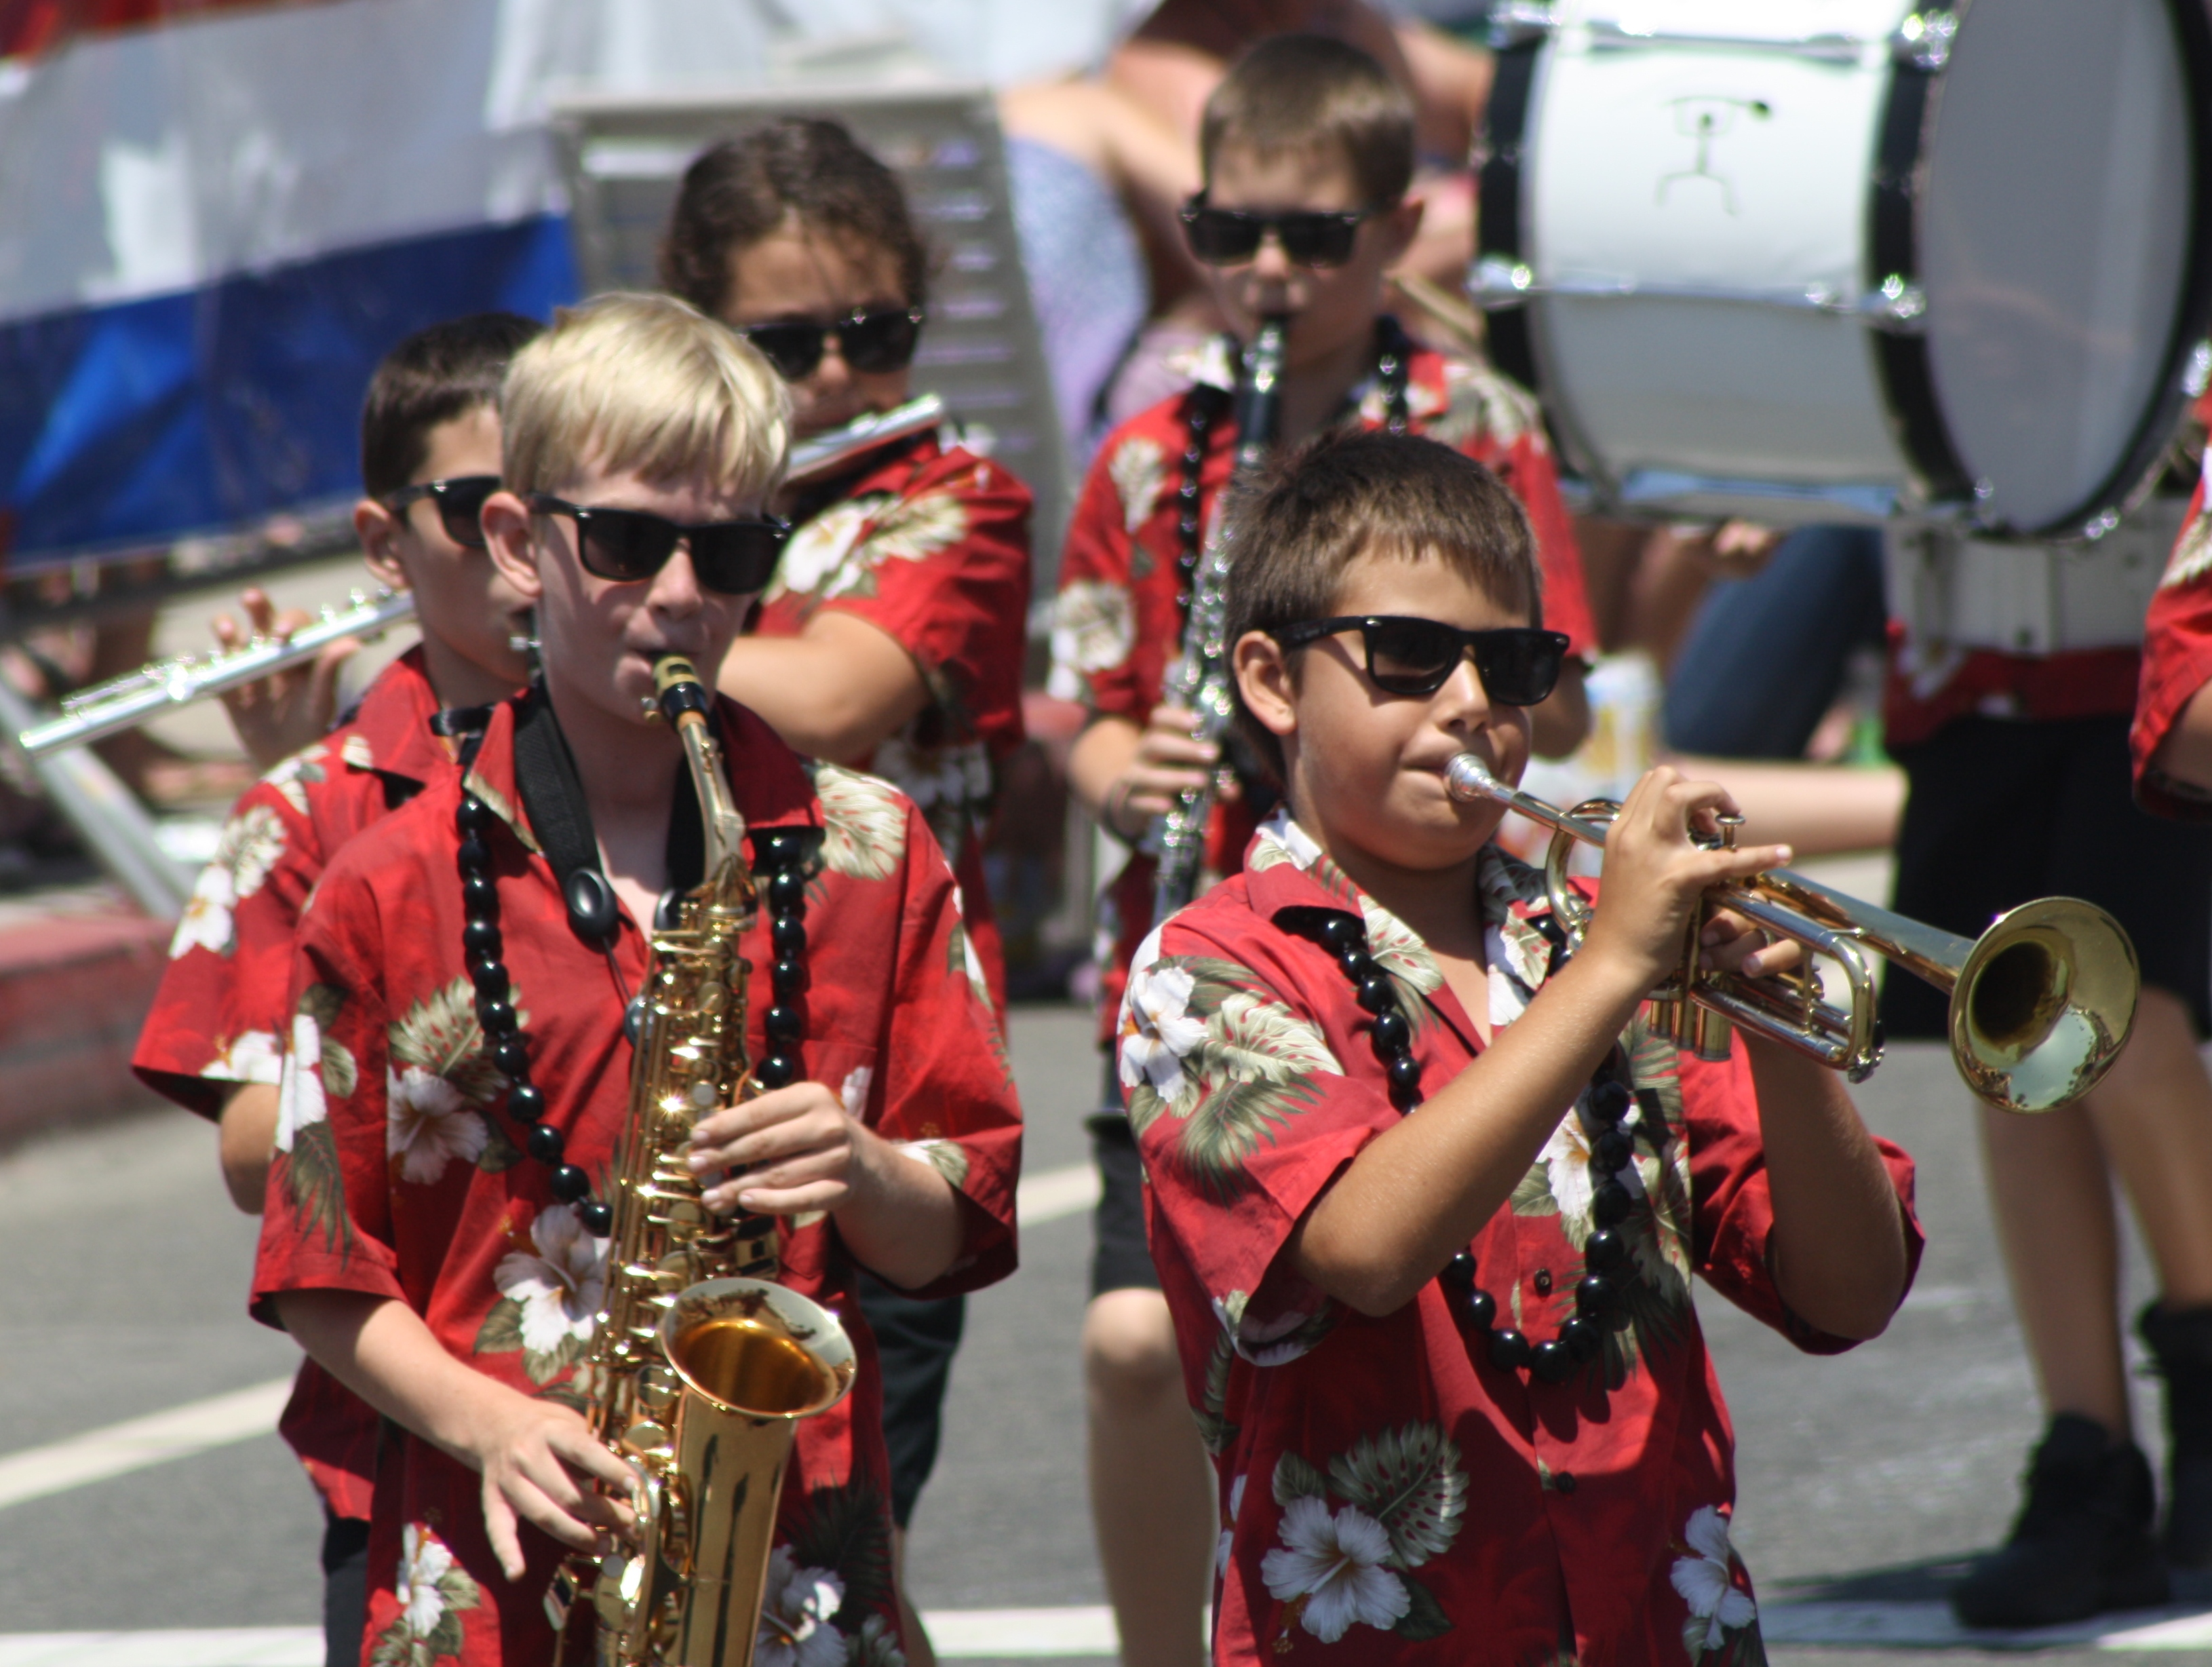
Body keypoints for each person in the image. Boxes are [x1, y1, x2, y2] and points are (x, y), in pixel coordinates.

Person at [250, 292, 1023, 1667]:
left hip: (790, 1568)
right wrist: (491, 1422)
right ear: (516, 541)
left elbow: (949, 1232)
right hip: (493, 1564)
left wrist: (861, 1168)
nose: (679, 594)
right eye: (623, 540)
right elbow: (319, 1268)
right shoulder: (384, 881)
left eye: (728, 551)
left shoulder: (871, 849)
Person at [1117, 427, 1916, 1662]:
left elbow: (1849, 1292)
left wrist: (1780, 1034)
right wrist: (1612, 966)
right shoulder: (1206, 965)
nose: (1471, 704)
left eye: (1511, 663)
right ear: (1272, 681)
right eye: (1408, 654)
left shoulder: (1601, 946)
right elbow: (1366, 1249)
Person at [1047, 36, 1596, 1664]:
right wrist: (1120, 767)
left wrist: (1427, 681)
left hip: (1424, 938)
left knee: (1396, 1327)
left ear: (1396, 229)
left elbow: (1558, 697)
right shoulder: (1152, 445)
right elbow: (1077, 697)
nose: (1269, 274)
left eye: (1312, 236)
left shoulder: (1475, 420)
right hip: (1214, 966)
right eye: (1229, 235)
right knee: (1138, 1346)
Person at [658, 116, 1034, 1666]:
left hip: (880, 1072)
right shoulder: (656, 512)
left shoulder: (954, 499)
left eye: (873, 335)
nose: (834, 378)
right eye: (785, 343)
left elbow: (826, 698)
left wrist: (590, 611)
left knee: (841, 1554)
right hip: (665, 1047)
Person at [130, 311, 542, 1667]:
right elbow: (257, 1150)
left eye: (558, 510)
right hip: (411, 1435)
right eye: (476, 512)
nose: (524, 554)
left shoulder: (674, 767)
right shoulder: (315, 808)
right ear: (384, 542)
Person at [1877, 459, 2212, 1625]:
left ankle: (2206, 1386)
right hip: (1969, 643)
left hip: (2151, 637)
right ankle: (2087, 1459)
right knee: (2012, 1030)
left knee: (2130, 1013)